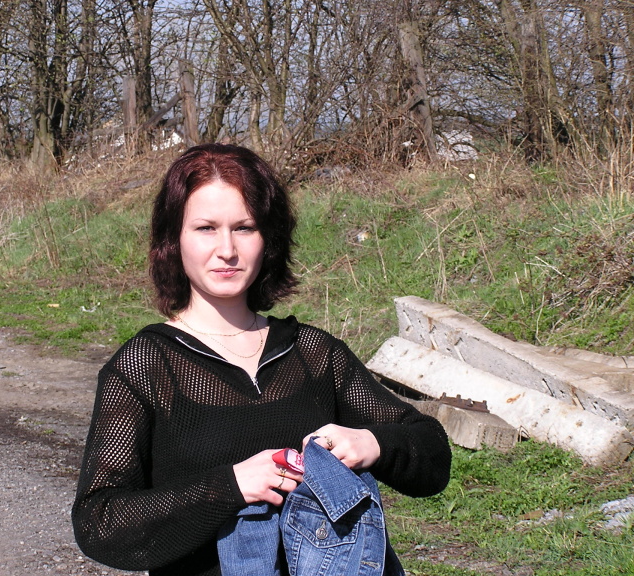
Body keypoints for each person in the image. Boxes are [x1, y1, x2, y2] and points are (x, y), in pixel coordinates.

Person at [72, 143, 451, 576]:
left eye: (244, 228)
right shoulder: (145, 365)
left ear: (268, 238)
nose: (227, 249)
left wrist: (372, 444)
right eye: (206, 228)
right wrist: (231, 486)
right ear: (173, 239)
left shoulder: (313, 354)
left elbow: (432, 455)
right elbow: (99, 522)